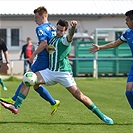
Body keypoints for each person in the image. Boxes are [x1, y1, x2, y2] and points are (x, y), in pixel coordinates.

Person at [1, 19, 114, 125]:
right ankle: (16, 106)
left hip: (63, 73)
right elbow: (48, 46)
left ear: (65, 31)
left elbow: (70, 36)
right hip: (50, 71)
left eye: (62, 30)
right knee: (29, 79)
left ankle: (102, 116)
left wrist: (73, 29)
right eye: (58, 29)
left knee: (80, 97)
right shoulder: (53, 38)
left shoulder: (65, 40)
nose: (59, 32)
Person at [0, 6, 60, 115]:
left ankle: (14, 101)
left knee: (27, 78)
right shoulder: (52, 27)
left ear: (42, 16)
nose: (34, 20)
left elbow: (44, 43)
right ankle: (53, 102)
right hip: (49, 59)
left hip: (42, 59)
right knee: (36, 86)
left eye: (36, 17)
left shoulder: (40, 28)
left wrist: (33, 54)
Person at [88, 10, 133, 110]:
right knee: (129, 92)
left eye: (127, 20)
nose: (125, 22)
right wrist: (99, 47)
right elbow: (115, 44)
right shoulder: (128, 33)